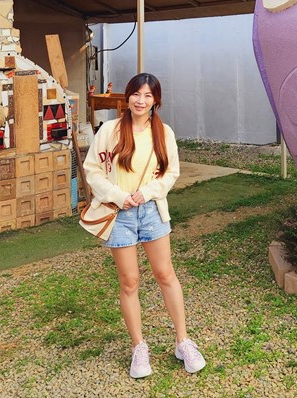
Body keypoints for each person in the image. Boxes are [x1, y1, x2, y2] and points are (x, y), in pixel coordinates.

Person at [83, 72, 206, 379]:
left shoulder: (164, 133)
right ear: (128, 97)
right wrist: (118, 196)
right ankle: (139, 347)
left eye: (148, 95)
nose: (141, 101)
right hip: (119, 213)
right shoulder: (110, 130)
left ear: (156, 100)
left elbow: (171, 173)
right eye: (136, 94)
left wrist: (146, 193)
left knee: (166, 274)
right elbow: (92, 169)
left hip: (151, 211)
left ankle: (183, 341)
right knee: (130, 282)